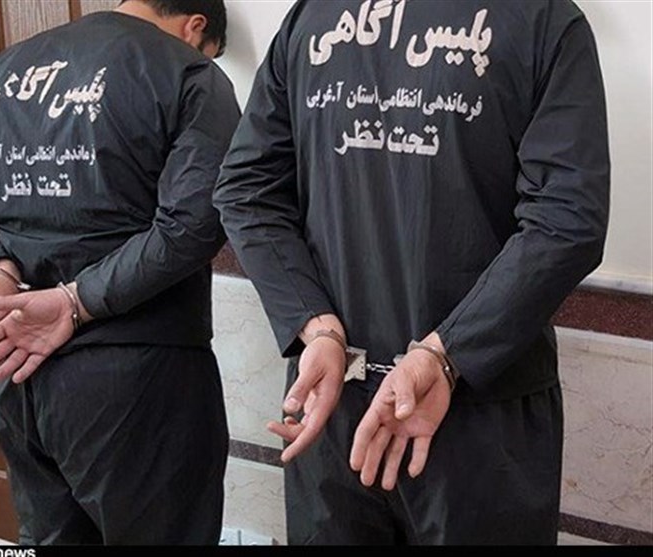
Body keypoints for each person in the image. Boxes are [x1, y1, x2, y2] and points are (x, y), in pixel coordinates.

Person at [214, 0, 609, 545]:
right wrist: (443, 354)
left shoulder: (313, 19)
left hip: (359, 407)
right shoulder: (541, 18)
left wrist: (317, 326)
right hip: (453, 416)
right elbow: (567, 219)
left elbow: (245, 190)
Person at [0, 0, 240, 545]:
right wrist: (75, 301)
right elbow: (192, 225)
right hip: (138, 382)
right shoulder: (190, 74)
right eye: (210, 49)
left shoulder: (5, 70)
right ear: (195, 27)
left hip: (17, 373)